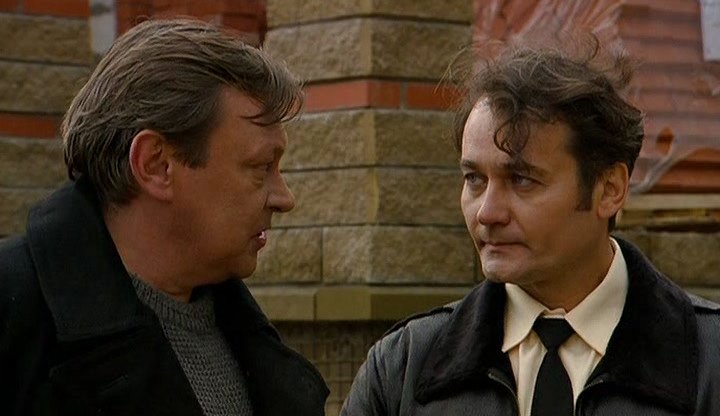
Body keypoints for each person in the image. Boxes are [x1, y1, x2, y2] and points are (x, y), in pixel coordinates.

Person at [341, 39, 720, 415]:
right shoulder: (403, 369)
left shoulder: (709, 364)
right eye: (474, 179)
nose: (487, 213)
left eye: (522, 180)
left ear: (610, 189)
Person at [0, 19, 328, 416]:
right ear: (156, 165)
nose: (284, 198)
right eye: (261, 167)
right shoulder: (16, 323)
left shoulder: (254, 348)